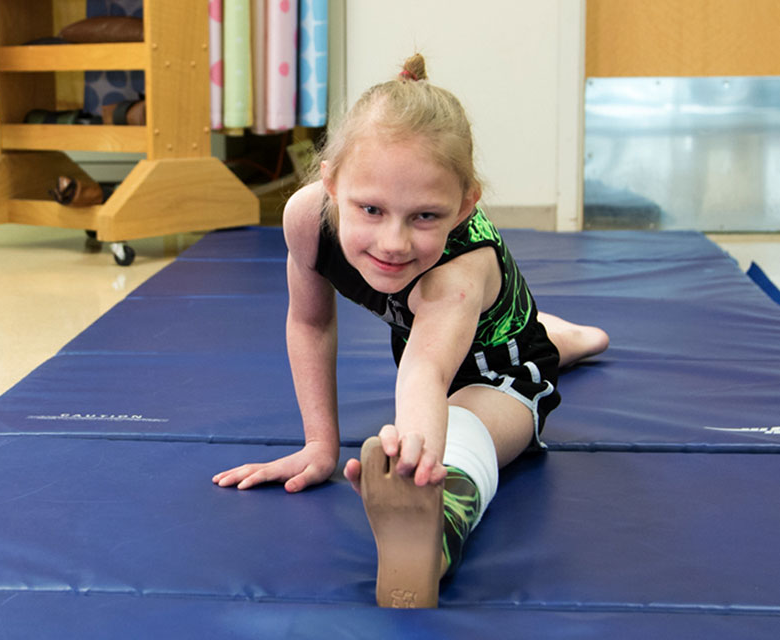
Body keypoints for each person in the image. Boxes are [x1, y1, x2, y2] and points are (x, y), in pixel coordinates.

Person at [212, 54, 609, 608]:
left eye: (425, 216)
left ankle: (437, 533)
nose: (393, 242)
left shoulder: (458, 275)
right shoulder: (308, 219)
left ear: (466, 204)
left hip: (499, 374)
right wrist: (320, 444)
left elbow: (426, 368)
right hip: (444, 334)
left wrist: (419, 468)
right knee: (531, 335)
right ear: (330, 182)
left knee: (466, 422)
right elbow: (309, 321)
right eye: (370, 209)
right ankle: (571, 336)